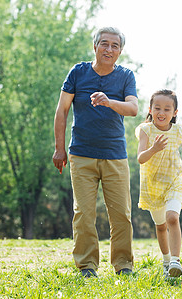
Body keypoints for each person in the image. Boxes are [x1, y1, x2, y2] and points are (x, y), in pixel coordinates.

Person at [52, 27, 138, 278]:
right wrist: (59, 148)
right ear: (95, 47)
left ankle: (123, 265)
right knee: (84, 212)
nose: (108, 49)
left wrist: (109, 102)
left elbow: (133, 108)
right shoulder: (78, 73)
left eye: (114, 46)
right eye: (104, 44)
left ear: (120, 51)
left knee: (121, 213)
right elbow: (62, 110)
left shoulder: (125, 77)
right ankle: (87, 266)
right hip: (81, 154)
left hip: (115, 155)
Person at [135, 89, 182, 278]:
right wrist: (154, 149)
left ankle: (175, 260)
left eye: (167, 109)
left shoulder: (179, 130)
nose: (161, 113)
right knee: (160, 226)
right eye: (157, 108)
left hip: (176, 180)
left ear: (175, 113)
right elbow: (141, 158)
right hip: (153, 184)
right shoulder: (145, 130)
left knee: (172, 217)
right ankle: (166, 261)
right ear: (150, 109)